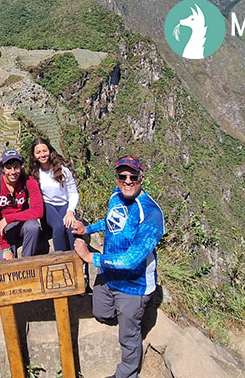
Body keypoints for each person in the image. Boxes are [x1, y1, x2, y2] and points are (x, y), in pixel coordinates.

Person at [72, 155, 164, 378]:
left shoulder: (150, 214)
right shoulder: (116, 196)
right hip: (109, 275)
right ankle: (125, 316)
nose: (128, 180)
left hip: (134, 285)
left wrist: (90, 257)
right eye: (122, 176)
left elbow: (132, 259)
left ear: (142, 178)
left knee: (129, 336)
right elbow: (110, 221)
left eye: (133, 176)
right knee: (101, 313)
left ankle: (127, 372)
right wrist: (88, 230)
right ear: (117, 178)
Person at [0, 149, 44, 259]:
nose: (13, 172)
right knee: (3, 262)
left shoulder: (29, 181)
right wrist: (6, 248)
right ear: (2, 168)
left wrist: (9, 219)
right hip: (4, 228)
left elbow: (38, 211)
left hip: (23, 222)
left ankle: (27, 261)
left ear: (21, 167)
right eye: (8, 167)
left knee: (33, 226)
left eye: (16, 167)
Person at [27, 138, 80, 253]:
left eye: (44, 151)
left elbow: (73, 193)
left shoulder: (63, 170)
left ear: (50, 151)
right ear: (34, 155)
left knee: (71, 227)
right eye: (38, 152)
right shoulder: (35, 173)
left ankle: (79, 261)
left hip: (64, 204)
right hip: (48, 205)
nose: (42, 155)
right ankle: (61, 260)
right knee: (58, 226)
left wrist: (70, 211)